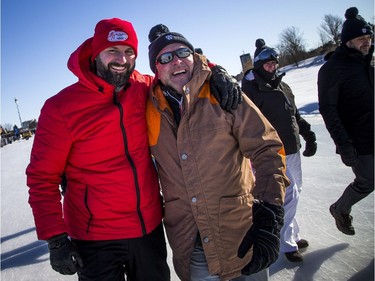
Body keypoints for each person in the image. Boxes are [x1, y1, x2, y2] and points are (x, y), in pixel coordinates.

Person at [26, 18, 242, 281]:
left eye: (129, 52)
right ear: (96, 54)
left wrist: (216, 70)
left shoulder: (143, 87)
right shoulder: (60, 108)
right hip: (95, 238)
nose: (122, 59)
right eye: (113, 51)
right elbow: (41, 178)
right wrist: (55, 238)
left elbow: (179, 71)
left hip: (147, 230)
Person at [146, 24, 290, 281]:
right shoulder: (148, 107)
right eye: (165, 57)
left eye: (182, 52)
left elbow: (267, 149)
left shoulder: (222, 93)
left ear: (194, 57)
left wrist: (270, 212)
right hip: (192, 244)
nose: (176, 60)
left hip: (242, 233)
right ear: (155, 68)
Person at [241, 39, 317, 263]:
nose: (273, 68)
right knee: (288, 195)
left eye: (275, 64)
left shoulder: (283, 86)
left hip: (293, 147)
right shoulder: (251, 90)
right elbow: (246, 123)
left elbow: (294, 115)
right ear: (258, 66)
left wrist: (308, 134)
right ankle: (286, 243)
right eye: (267, 65)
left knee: (295, 193)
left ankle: (292, 234)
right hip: (273, 152)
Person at [318, 7, 374, 236]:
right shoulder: (332, 69)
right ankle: (340, 209)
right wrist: (343, 143)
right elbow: (328, 110)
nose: (367, 42)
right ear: (348, 41)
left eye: (369, 38)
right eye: (361, 38)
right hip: (358, 140)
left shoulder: (367, 64)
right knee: (368, 181)